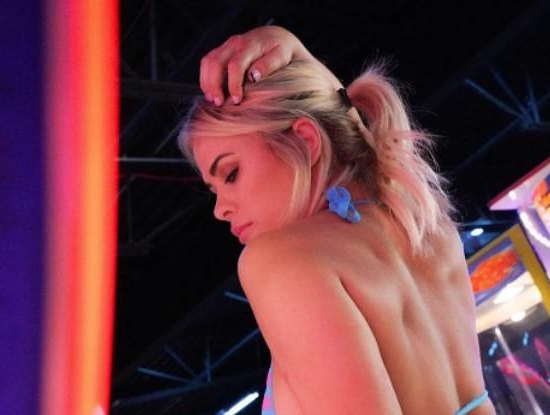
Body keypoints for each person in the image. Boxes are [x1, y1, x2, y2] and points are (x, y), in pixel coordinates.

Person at [178, 26, 495, 415]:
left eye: (231, 174)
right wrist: (296, 51)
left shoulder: (281, 259)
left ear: (305, 140)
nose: (220, 209)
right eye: (213, 190)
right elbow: (342, 122)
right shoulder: (425, 228)